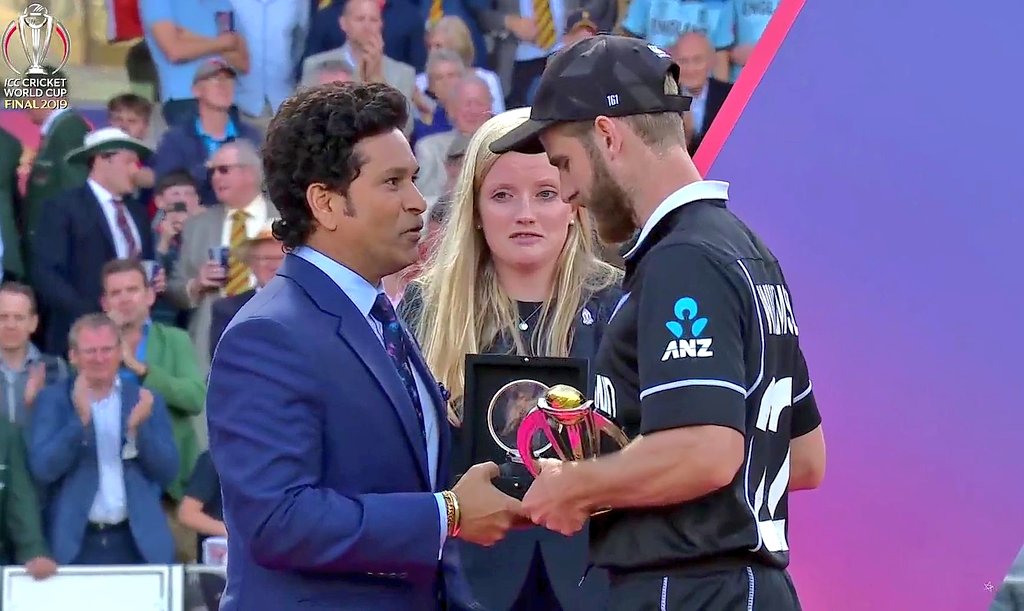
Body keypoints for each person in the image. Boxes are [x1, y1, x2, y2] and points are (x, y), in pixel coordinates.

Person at [490, 35, 827, 610]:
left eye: (564, 163)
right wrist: (633, 475)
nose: (567, 192)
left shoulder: (683, 259)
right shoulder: (746, 252)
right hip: (743, 588)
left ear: (607, 135)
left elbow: (705, 451)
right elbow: (802, 454)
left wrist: (578, 485)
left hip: (690, 589)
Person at [205, 81, 527, 610]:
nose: (417, 202)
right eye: (392, 182)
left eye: (414, 179)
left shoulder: (381, 316)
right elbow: (276, 520)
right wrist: (447, 514)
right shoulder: (268, 335)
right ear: (326, 203)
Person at [401, 107, 622, 611]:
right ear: (475, 210)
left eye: (545, 193)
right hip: (463, 581)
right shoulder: (426, 307)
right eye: (502, 195)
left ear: (574, 203)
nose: (525, 213)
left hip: (596, 580)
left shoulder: (621, 303)